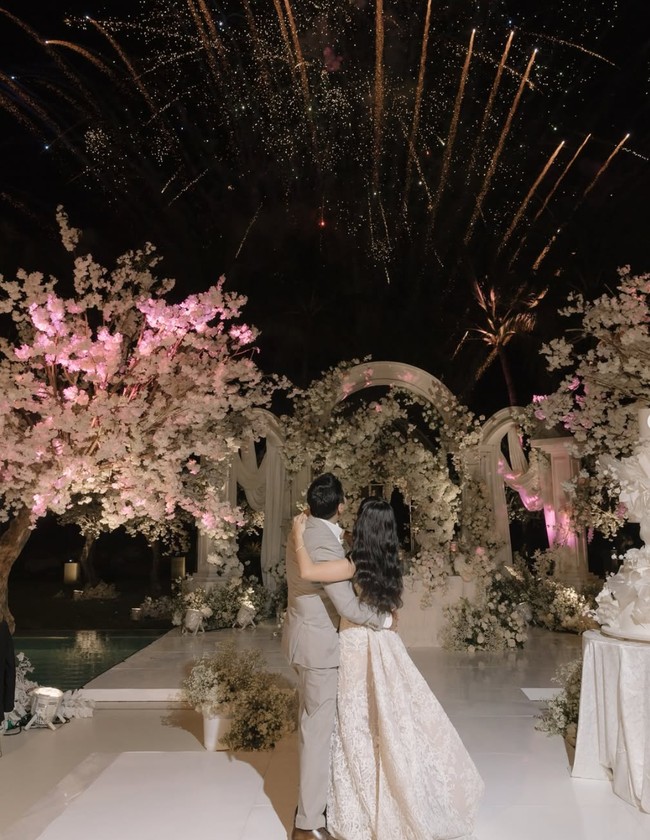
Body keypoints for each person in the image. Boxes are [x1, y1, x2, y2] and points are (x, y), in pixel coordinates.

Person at [292, 498, 485, 840]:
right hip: (384, 643)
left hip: (356, 643)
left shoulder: (352, 564)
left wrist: (297, 536)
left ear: (363, 527)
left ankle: (354, 799)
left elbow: (309, 573)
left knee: (355, 722)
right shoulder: (389, 560)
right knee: (389, 718)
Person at [282, 473, 392, 840]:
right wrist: (384, 619)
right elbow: (347, 606)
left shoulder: (307, 527)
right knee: (316, 732)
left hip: (304, 637)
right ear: (341, 505)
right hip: (317, 646)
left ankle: (312, 803)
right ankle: (308, 823)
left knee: (313, 725)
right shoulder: (321, 541)